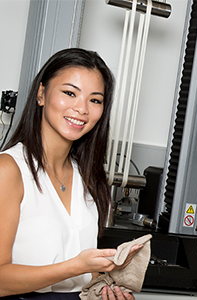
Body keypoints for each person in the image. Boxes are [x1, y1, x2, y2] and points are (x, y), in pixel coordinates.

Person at [0, 48, 141, 300]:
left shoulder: (87, 175)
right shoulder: (9, 170)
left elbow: (83, 273)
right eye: (69, 93)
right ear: (41, 94)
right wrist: (77, 266)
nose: (82, 109)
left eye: (94, 100)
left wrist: (104, 288)